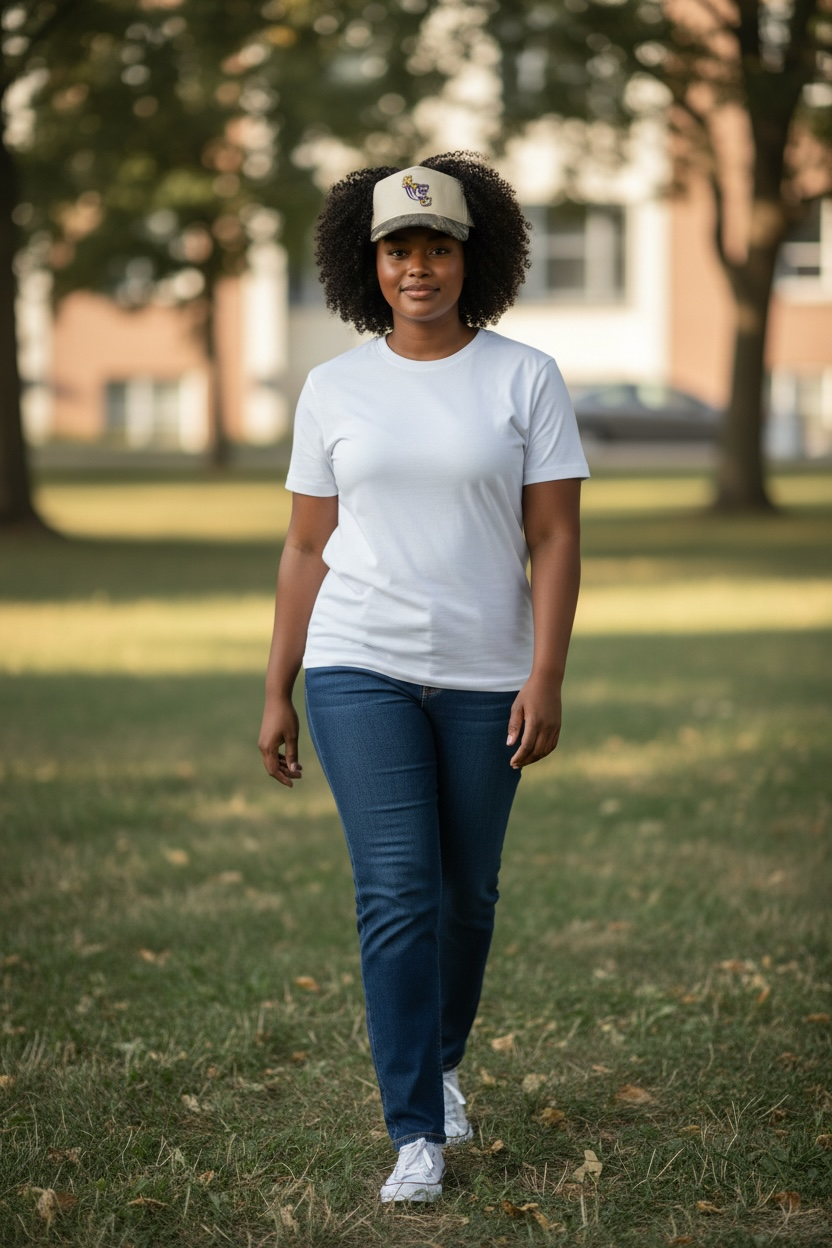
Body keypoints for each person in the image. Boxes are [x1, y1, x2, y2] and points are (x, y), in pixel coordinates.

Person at [258, 151, 589, 1204]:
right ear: (368, 264)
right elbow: (305, 548)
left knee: (466, 894)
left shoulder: (524, 376)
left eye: (436, 248)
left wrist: (545, 673)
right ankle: (414, 1131)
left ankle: (442, 1063)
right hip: (359, 664)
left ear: (468, 259)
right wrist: (277, 686)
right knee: (398, 891)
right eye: (397, 249)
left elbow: (555, 536)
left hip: (489, 673)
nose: (417, 267)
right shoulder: (334, 388)